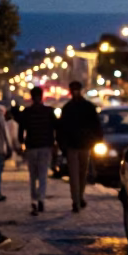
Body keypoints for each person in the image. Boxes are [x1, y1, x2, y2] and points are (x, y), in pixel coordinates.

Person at [57, 80, 103, 213]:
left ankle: (78, 198)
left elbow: (96, 125)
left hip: (82, 145)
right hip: (75, 145)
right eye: (74, 90)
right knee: (76, 174)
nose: (75, 92)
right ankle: (76, 200)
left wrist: (96, 139)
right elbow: (62, 129)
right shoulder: (74, 108)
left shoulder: (83, 107)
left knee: (81, 174)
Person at [15, 86, 57, 216]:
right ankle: (41, 199)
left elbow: (21, 130)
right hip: (45, 145)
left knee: (33, 175)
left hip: (31, 146)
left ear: (31, 97)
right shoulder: (49, 111)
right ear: (42, 96)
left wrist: (22, 143)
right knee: (43, 174)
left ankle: (33, 200)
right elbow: (56, 127)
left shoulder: (27, 112)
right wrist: (54, 143)